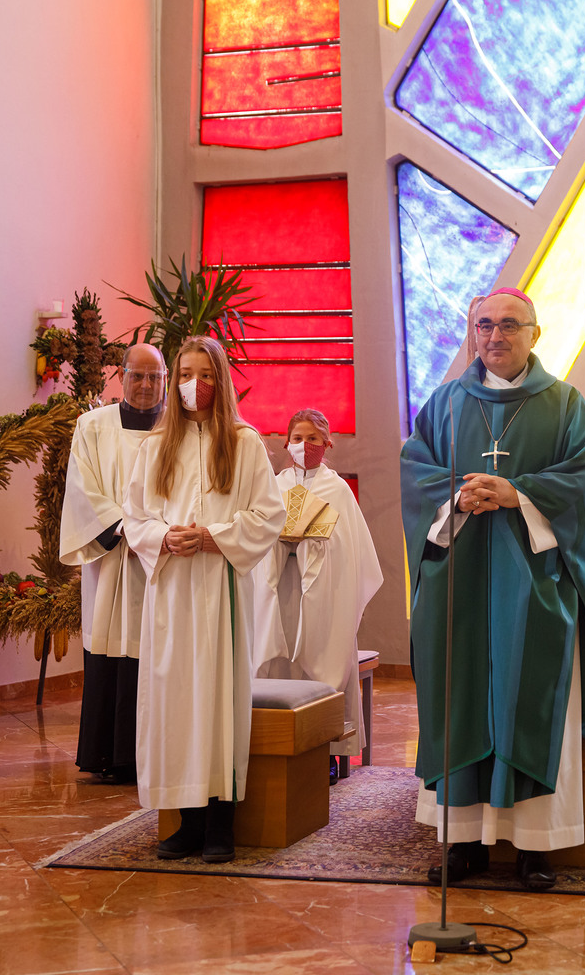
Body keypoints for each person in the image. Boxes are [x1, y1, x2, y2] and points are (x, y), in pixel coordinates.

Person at [399, 287, 585, 891]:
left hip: (535, 589)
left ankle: (534, 846)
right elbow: (415, 472)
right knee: (461, 696)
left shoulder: (565, 405)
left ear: (534, 334)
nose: (495, 336)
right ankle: (463, 841)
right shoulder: (445, 403)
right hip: (460, 584)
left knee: (531, 698)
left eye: (509, 326)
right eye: (484, 325)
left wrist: (516, 493)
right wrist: (456, 496)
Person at [122, 335, 284, 863]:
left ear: (222, 381)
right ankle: (186, 822)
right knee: (175, 702)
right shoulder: (155, 447)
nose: (196, 385)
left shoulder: (243, 442)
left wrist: (213, 537)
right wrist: (163, 537)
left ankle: (220, 824)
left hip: (219, 589)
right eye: (187, 375)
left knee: (218, 702)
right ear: (175, 383)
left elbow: (269, 515)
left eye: (207, 375)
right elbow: (134, 517)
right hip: (171, 590)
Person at [249, 408, 383, 783]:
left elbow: (352, 552)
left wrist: (313, 542)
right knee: (276, 660)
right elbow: (256, 537)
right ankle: (271, 743)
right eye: (297, 438)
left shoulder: (337, 491)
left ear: (327, 444)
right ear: (286, 443)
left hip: (323, 593)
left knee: (321, 661)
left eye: (312, 438)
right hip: (279, 590)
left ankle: (324, 750)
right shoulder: (272, 487)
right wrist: (281, 542)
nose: (304, 445)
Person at [60, 344, 166, 783]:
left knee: (158, 649)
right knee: (109, 642)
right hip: (112, 558)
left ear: (165, 379)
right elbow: (81, 488)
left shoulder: (178, 429)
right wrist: (125, 528)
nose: (146, 385)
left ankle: (154, 755)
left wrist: (157, 533)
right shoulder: (93, 426)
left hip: (162, 558)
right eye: (137, 376)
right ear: (121, 377)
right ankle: (108, 754)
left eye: (155, 377)